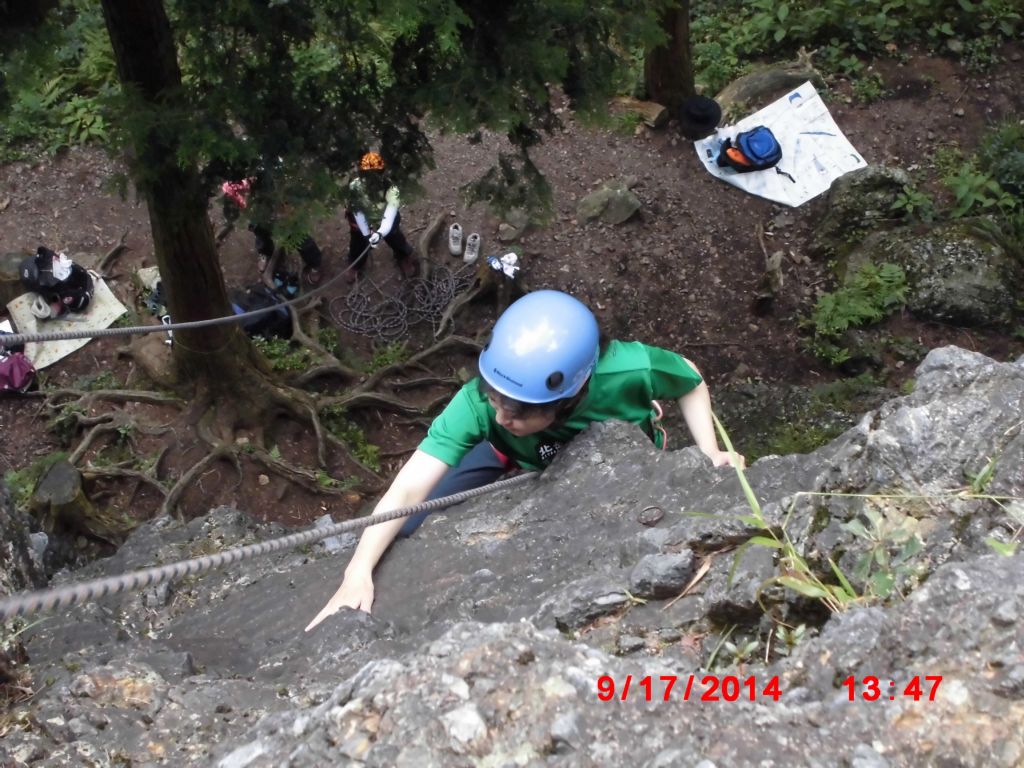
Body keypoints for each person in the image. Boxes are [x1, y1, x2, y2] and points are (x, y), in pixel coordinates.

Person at [305, 290, 744, 630]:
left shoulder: (626, 371)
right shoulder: (480, 401)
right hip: (508, 459)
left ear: (571, 396)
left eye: (518, 411)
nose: (500, 415)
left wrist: (709, 452)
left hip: (612, 466)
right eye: (495, 400)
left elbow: (689, 377)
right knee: (414, 519)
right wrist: (357, 572)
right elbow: (408, 488)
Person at [344, 151, 420, 284]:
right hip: (362, 223)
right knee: (357, 243)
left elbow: (389, 216)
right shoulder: (354, 187)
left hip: (385, 221)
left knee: (395, 238)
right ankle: (357, 263)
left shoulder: (392, 190)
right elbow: (358, 212)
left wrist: (379, 233)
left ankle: (403, 255)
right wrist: (366, 233)